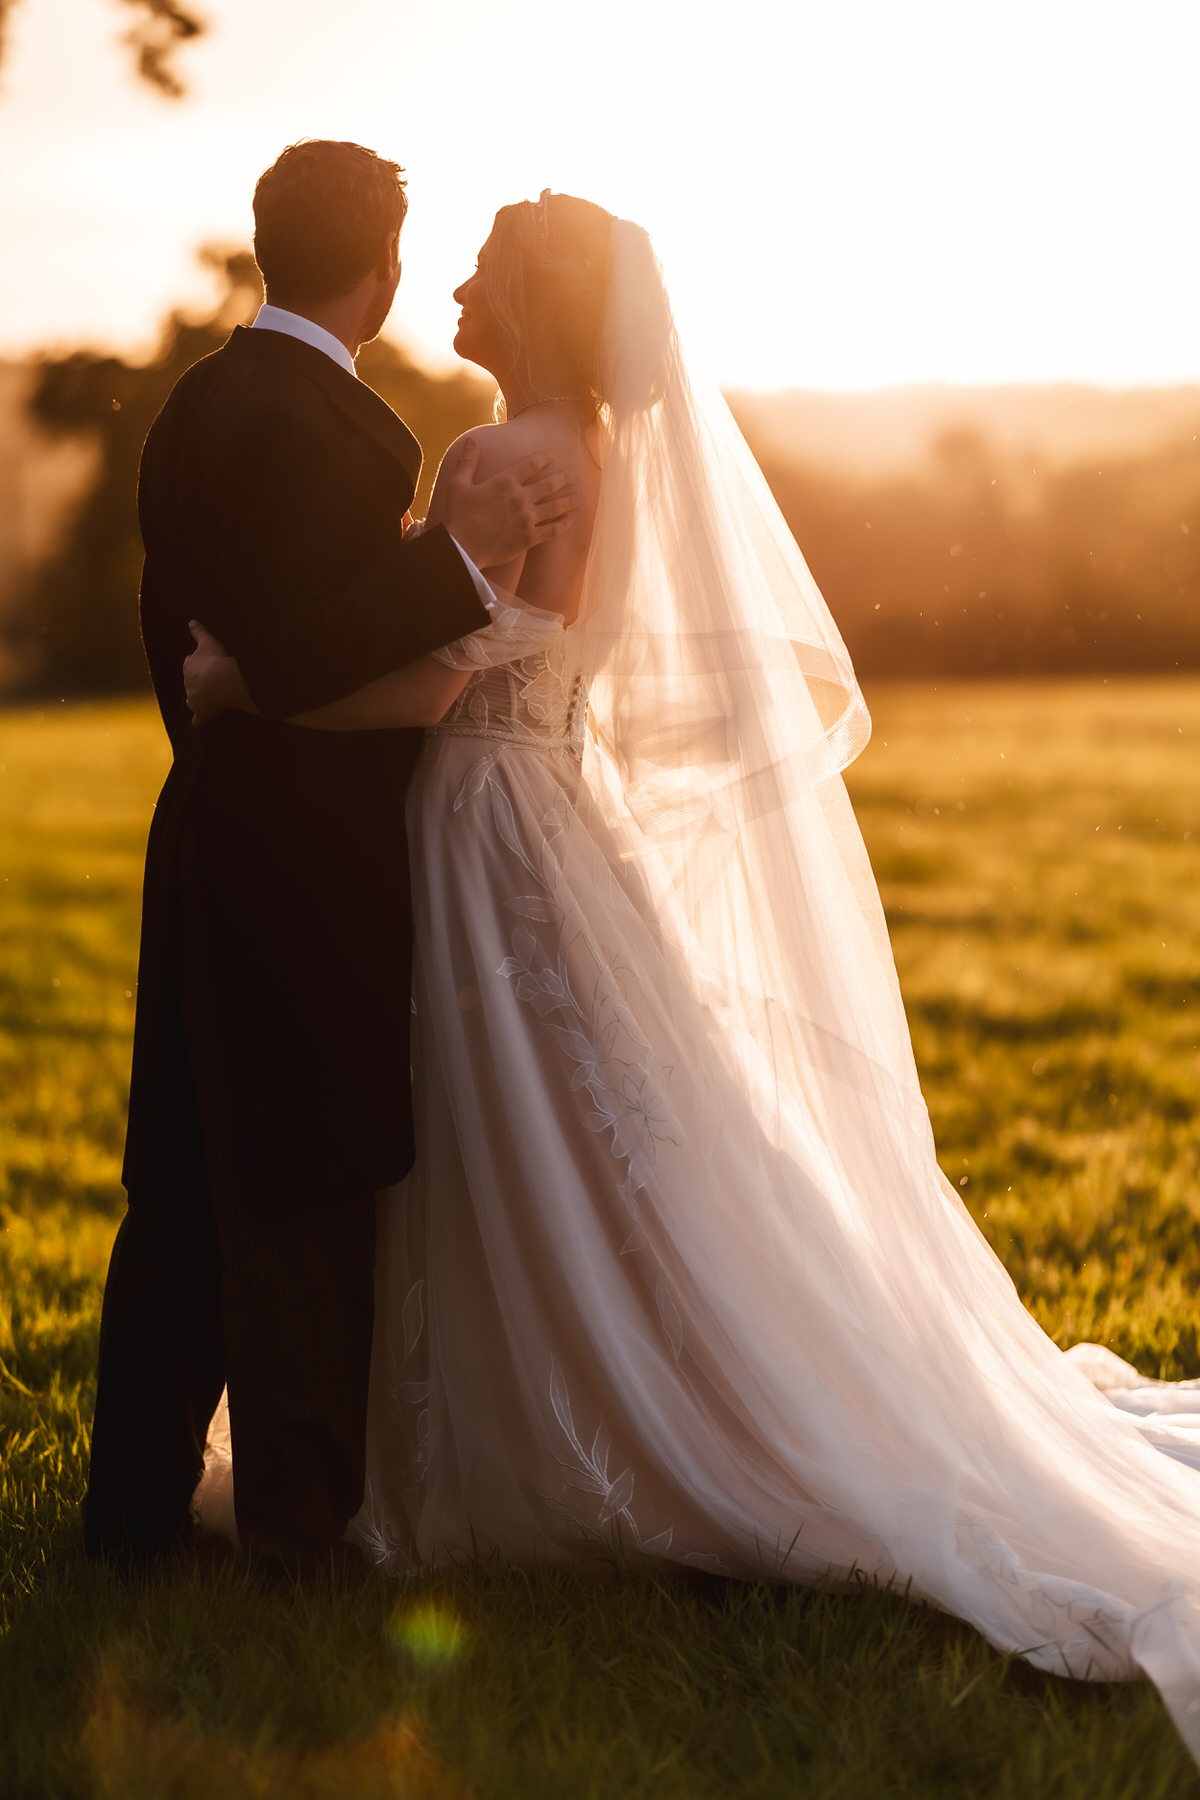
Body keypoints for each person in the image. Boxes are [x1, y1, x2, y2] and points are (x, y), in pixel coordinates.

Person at [184, 191, 1200, 1761]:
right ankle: (682, 1381)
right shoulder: (600, 451)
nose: (454, 282)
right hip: (550, 812)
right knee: (611, 1136)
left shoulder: (500, 458)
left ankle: (580, 1427)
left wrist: (251, 687)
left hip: (483, 817)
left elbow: (452, 672)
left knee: (523, 1125)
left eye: (487, 272)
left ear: (533, 308)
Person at [83, 142, 579, 1570]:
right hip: (310, 858)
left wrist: (214, 711)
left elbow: (189, 621)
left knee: (175, 1186)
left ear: (263, 246)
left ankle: (129, 1509)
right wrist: (455, 564)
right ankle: (301, 1527)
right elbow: (305, 648)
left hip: (206, 830)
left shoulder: (194, 403)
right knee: (306, 1184)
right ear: (385, 269)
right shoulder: (337, 425)